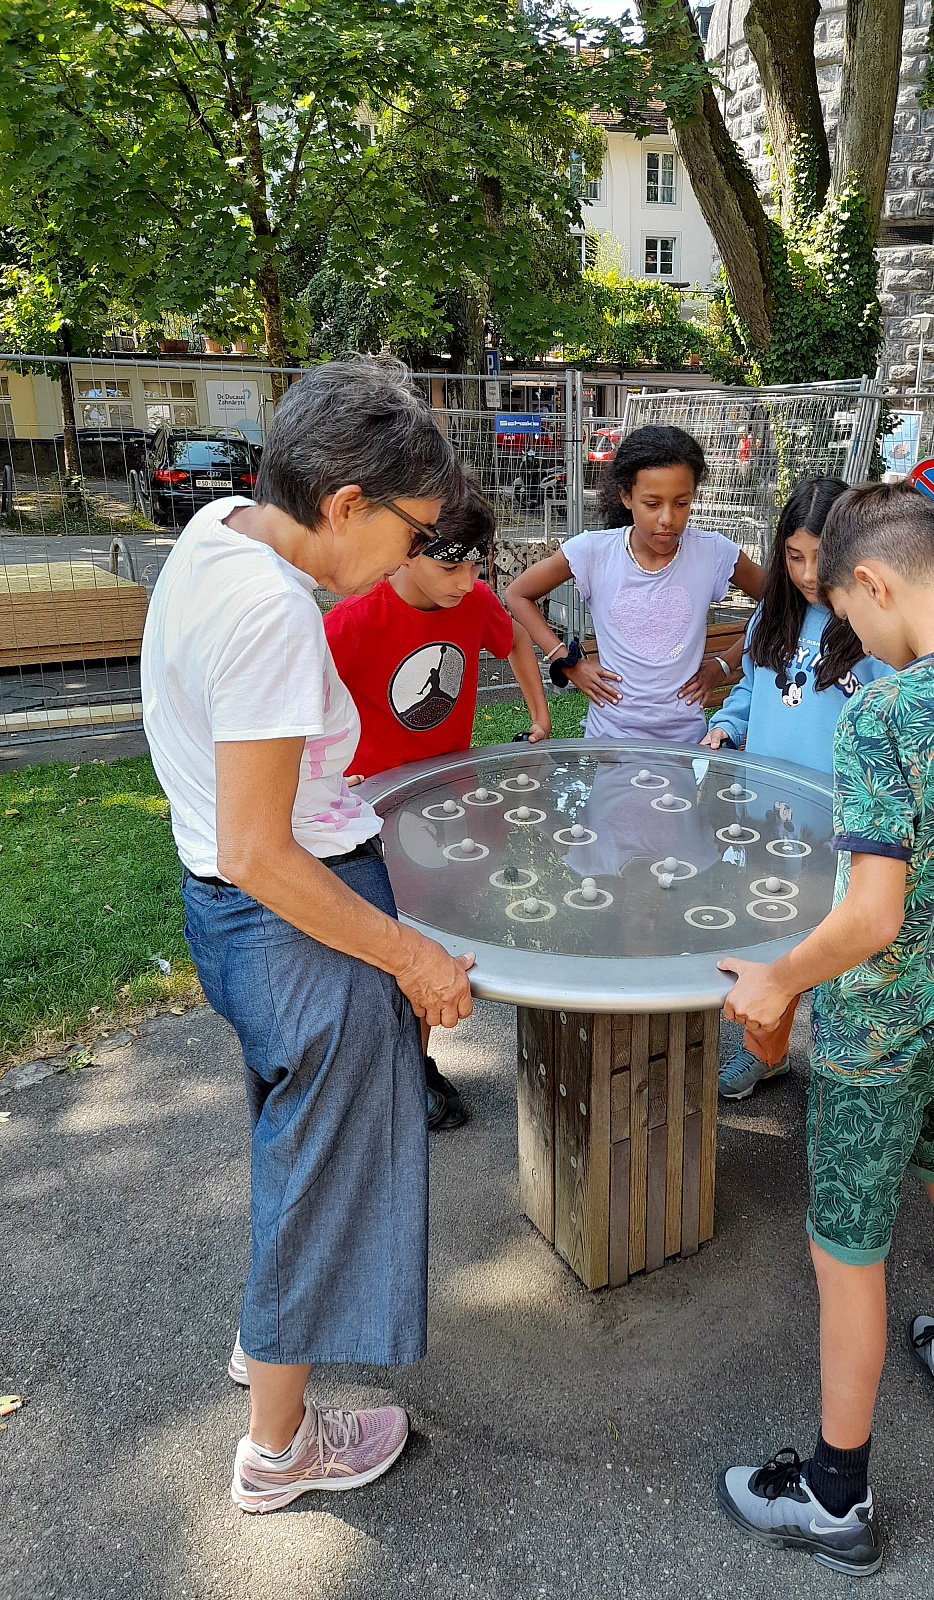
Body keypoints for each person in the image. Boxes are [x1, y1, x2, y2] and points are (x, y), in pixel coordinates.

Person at [713, 483, 934, 1576]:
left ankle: (836, 1493)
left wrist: (778, 978)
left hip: (877, 1027)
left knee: (848, 1249)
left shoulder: (885, 712)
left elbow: (870, 917)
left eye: (846, 615)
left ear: (872, 583)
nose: (851, 641)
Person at [141, 358, 475, 1514]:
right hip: (296, 926)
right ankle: (279, 1448)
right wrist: (412, 954)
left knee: (298, 1150)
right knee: (323, 1170)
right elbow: (261, 849)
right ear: (344, 504)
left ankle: (268, 1339)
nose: (414, 553)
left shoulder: (217, 532)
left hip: (238, 923)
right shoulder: (274, 613)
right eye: (412, 531)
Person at [324, 478, 552, 1131]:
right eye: (450, 566)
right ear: (406, 550)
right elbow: (302, 700)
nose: (466, 581)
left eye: (476, 566)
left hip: (450, 805)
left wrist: (539, 718)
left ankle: (413, 1064)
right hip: (374, 817)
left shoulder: (473, 601)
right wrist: (330, 775)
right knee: (396, 946)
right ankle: (398, 1074)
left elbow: (512, 638)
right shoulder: (352, 622)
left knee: (436, 936)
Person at [699, 477, 892, 1101]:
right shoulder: (773, 612)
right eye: (794, 556)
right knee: (768, 925)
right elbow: (749, 690)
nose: (809, 574)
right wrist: (728, 727)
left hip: (839, 819)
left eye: (821, 557)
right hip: (763, 812)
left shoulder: (871, 621)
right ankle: (766, 1049)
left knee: (832, 936)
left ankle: (851, 1063)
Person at [503, 425, 763, 739]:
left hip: (684, 744)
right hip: (609, 741)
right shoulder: (593, 552)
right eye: (652, 504)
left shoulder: (713, 553)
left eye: (681, 503)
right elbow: (517, 594)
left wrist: (724, 663)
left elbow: (782, 602)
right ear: (626, 496)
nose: (667, 518)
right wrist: (566, 661)